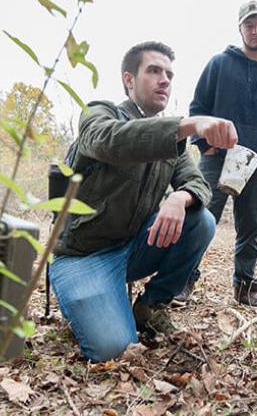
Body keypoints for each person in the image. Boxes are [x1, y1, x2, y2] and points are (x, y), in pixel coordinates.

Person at [49, 41, 237, 362]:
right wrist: (187, 125)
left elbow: (198, 184)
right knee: (114, 350)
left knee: (200, 220)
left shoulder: (172, 144)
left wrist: (180, 196)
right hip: (82, 256)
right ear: (129, 80)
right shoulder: (100, 112)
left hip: (133, 248)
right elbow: (109, 141)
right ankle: (94, 302)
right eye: (154, 71)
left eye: (169, 74)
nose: (165, 79)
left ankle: (150, 305)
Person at [177, 0, 257, 308]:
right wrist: (206, 146)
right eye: (249, 25)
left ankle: (245, 288)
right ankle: (182, 280)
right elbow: (197, 109)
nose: (255, 30)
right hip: (216, 158)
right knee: (201, 216)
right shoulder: (219, 64)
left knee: (251, 225)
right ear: (240, 28)